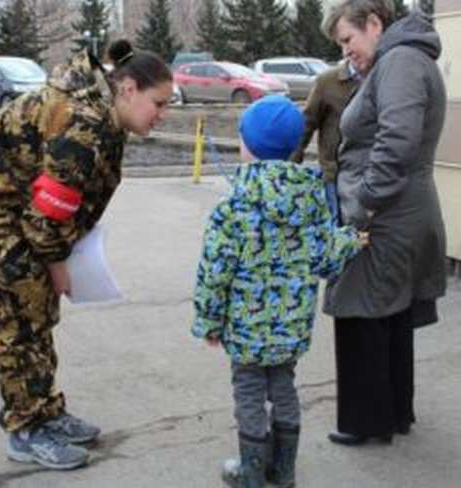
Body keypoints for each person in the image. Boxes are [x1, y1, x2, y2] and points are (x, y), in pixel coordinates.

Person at [0, 40, 173, 470]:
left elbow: (67, 202)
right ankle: (25, 429)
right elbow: (46, 219)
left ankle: (45, 411)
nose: (163, 114)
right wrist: (59, 266)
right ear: (129, 89)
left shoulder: (104, 113)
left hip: (12, 212)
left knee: (38, 306)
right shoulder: (83, 123)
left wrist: (63, 254)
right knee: (17, 316)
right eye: (159, 103)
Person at [192, 96, 366, 487]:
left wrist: (208, 321)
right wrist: (349, 241)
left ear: (247, 146)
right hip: (291, 329)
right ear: (291, 147)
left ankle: (251, 473)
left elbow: (213, 273)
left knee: (250, 393)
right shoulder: (314, 201)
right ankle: (283, 471)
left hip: (246, 331)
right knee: (284, 386)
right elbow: (323, 258)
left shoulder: (232, 207)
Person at [321, 0, 447, 446]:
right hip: (400, 209)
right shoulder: (402, 60)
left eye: (348, 40)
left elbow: (397, 139)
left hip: (387, 214)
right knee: (388, 312)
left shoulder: (399, 63)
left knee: (360, 309)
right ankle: (393, 413)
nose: (346, 52)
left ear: (374, 24)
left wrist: (367, 200)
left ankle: (367, 422)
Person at [290, 58, 360, 218]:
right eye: (344, 42)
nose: (348, 48)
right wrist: (290, 165)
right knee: (335, 228)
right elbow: (307, 123)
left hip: (371, 174)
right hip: (334, 175)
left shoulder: (381, 77)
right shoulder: (326, 82)